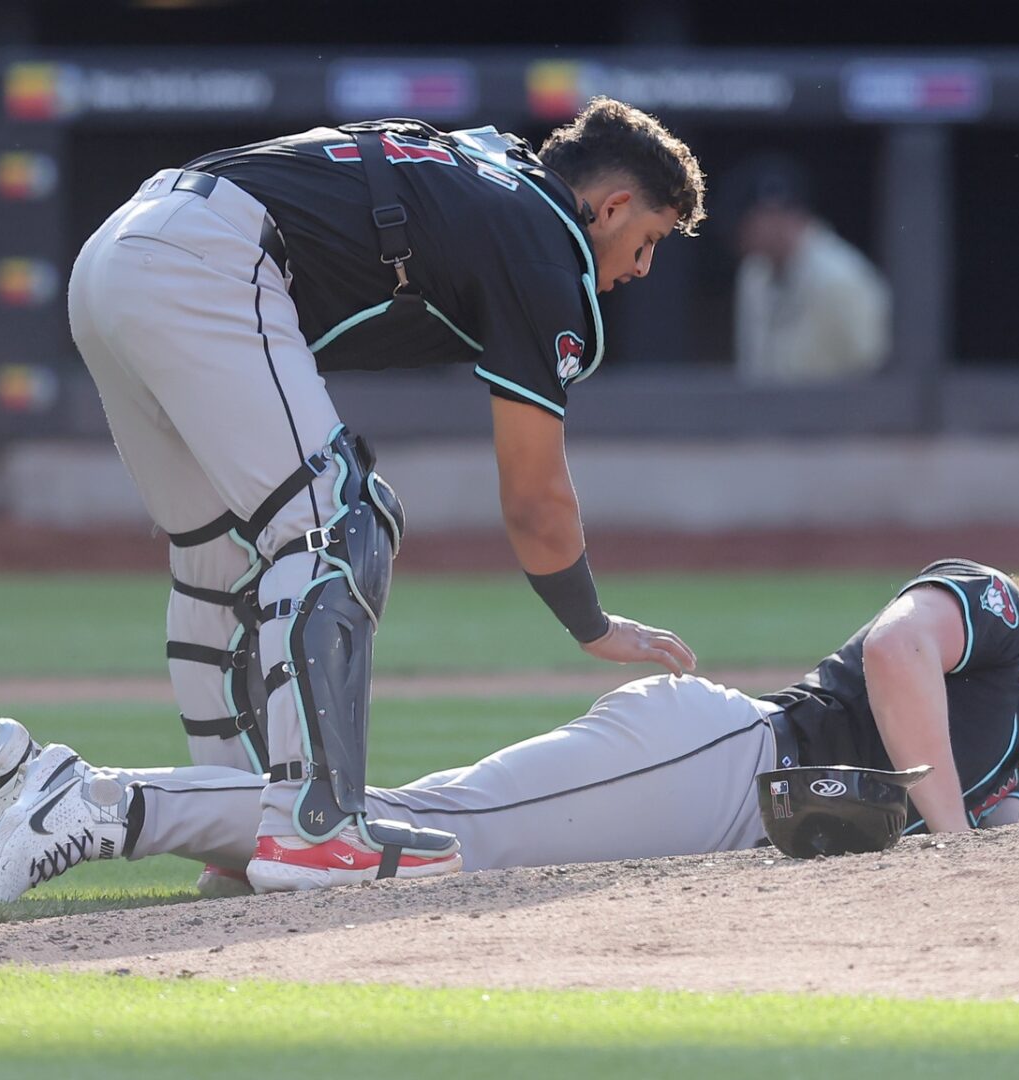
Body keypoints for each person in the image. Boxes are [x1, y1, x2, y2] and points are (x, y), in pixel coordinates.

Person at [52, 97, 706, 894]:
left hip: (119, 252)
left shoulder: (489, 162)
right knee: (338, 523)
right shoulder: (546, 241)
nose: (641, 268)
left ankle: (239, 836)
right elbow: (536, 497)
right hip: (208, 258)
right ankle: (312, 825)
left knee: (219, 556)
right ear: (611, 207)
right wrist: (591, 625)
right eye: (649, 240)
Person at [0, 559, 1019, 903]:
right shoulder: (986, 603)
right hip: (724, 758)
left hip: (729, 802)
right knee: (428, 843)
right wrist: (956, 830)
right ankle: (99, 800)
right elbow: (901, 646)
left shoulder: (1001, 758)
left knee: (407, 828)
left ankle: (79, 789)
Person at [728, 156, 891, 385]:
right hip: (767, 416)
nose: (741, 231)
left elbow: (874, 371)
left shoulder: (843, 279)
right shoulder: (753, 275)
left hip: (834, 417)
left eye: (749, 220)